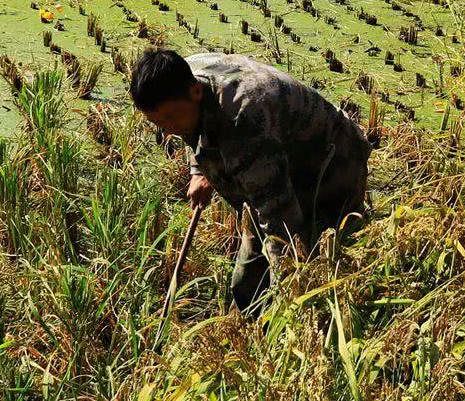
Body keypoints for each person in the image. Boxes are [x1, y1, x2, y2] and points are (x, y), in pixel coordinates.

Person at [129, 48, 370, 312]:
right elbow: (194, 126)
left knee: (321, 263)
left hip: (328, 165)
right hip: (274, 159)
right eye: (157, 122)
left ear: (196, 92)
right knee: (247, 282)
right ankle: (247, 319)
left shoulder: (244, 122)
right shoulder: (181, 78)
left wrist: (288, 302)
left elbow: (280, 223)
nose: (167, 129)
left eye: (170, 118)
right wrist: (198, 170)